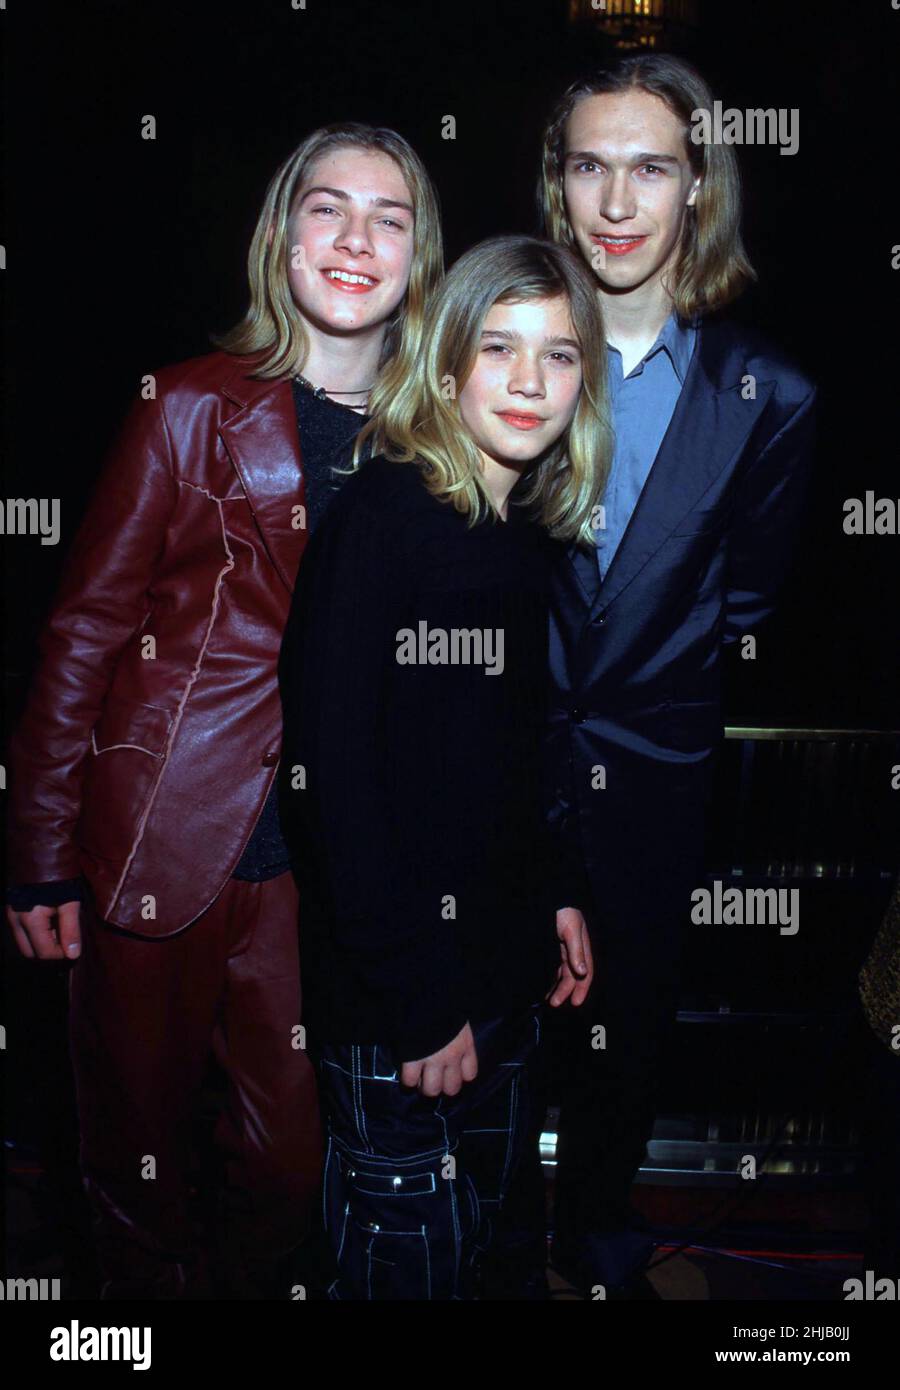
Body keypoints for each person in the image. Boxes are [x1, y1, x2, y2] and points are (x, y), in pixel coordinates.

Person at [4, 121, 443, 1299]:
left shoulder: (433, 442)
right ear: (281, 237)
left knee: (291, 1167)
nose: (356, 240)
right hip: (161, 834)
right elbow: (85, 628)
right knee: (134, 1167)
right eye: (327, 209)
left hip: (320, 873)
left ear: (420, 253)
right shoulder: (191, 406)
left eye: (389, 218)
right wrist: (41, 857)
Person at [527, 53, 818, 1297]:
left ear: (700, 185)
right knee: (472, 1038)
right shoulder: (499, 348)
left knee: (624, 1037)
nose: (618, 200)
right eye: (590, 164)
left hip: (653, 783)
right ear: (559, 185)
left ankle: (595, 1238)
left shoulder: (772, 399)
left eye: (652, 166)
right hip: (493, 763)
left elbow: (746, 601)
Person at [276, 235, 611, 1300]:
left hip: (505, 985)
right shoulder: (380, 523)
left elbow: (515, 748)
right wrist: (418, 1001)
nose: (528, 381)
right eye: (499, 346)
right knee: (407, 1269)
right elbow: (332, 786)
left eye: (558, 356)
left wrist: (556, 889)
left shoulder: (525, 529)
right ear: (448, 361)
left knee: (490, 1259)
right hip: (402, 1008)